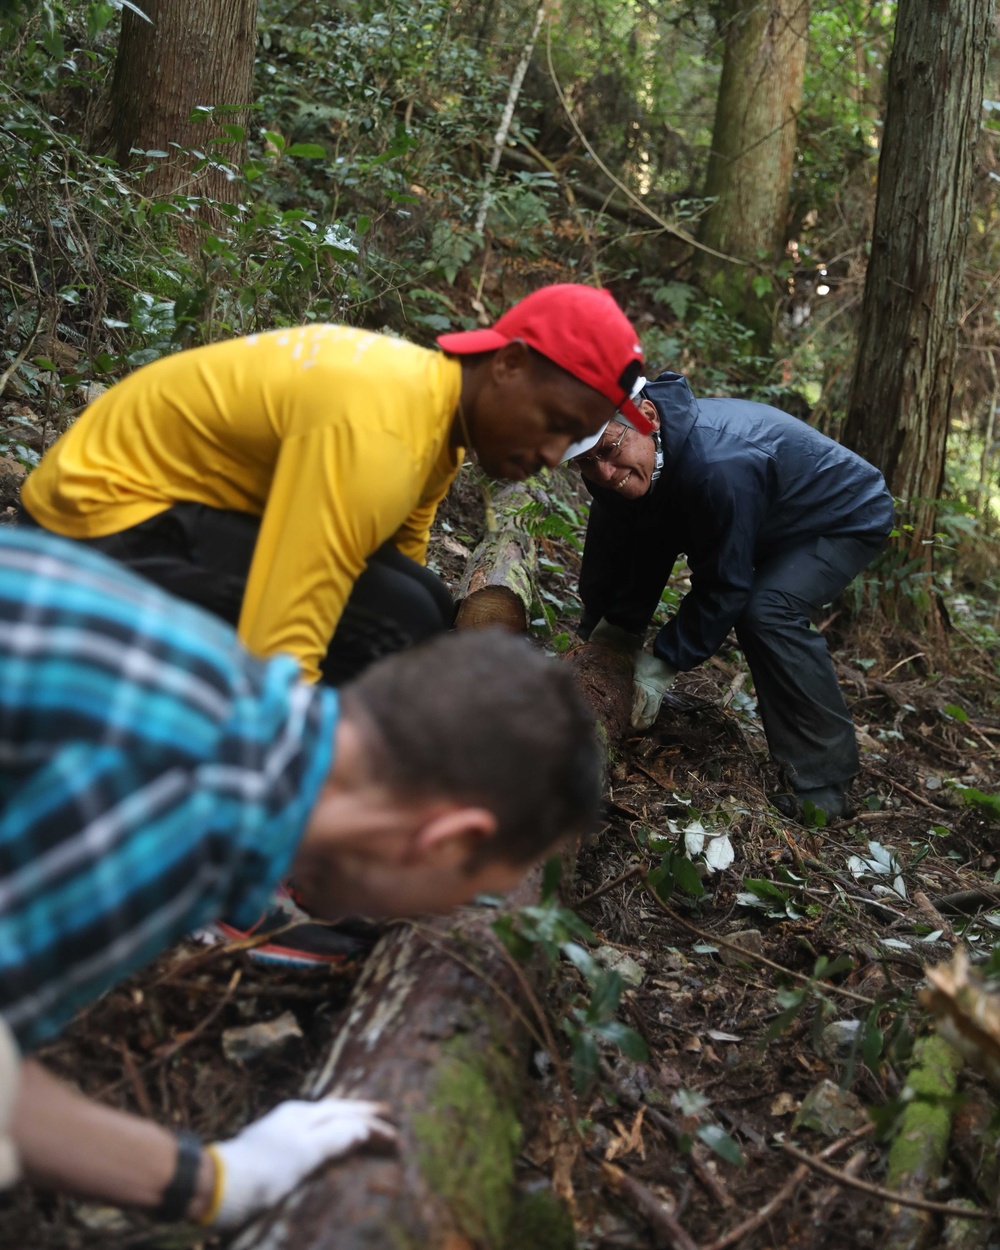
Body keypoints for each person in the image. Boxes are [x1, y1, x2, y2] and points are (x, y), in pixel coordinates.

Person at [0, 526, 601, 1227]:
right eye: (466, 895)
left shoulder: (225, 684)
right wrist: (216, 1181)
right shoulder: (203, 807)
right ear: (445, 840)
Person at [19, 283, 649, 687]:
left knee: (424, 605)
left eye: (570, 443)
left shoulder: (432, 406)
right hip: (86, 533)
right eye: (553, 425)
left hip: (163, 515)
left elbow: (391, 564)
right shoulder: (380, 429)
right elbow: (282, 641)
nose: (548, 455)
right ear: (508, 364)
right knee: (396, 622)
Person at [567, 371, 894, 821]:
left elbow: (724, 582)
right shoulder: (627, 463)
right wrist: (609, 628)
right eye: (585, 462)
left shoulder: (718, 465)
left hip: (840, 515)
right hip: (765, 513)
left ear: (646, 417)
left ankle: (824, 785)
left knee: (767, 610)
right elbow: (627, 541)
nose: (603, 473)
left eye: (608, 451)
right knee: (650, 514)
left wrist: (663, 663)